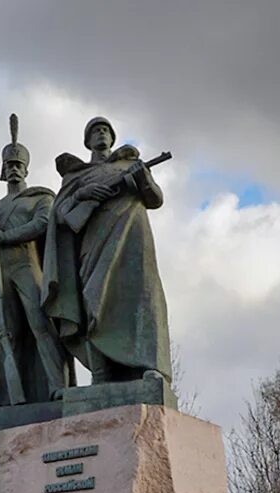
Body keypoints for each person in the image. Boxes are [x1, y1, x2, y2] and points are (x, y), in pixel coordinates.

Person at [42, 116, 172, 384]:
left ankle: (148, 366)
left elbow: (155, 199)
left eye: (105, 130)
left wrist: (144, 179)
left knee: (141, 300)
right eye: (95, 131)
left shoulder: (130, 165)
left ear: (112, 138)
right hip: (95, 242)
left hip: (134, 242)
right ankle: (102, 374)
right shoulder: (77, 176)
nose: (101, 134)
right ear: (87, 141)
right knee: (93, 301)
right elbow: (62, 215)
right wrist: (84, 194)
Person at [0, 114, 72, 406]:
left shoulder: (39, 198)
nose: (14, 170)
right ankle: (11, 396)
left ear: (27, 169)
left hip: (26, 265)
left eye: (19, 165)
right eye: (9, 166)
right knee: (6, 335)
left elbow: (43, 224)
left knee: (41, 325)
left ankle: (58, 385)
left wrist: (3, 237)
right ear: (3, 172)